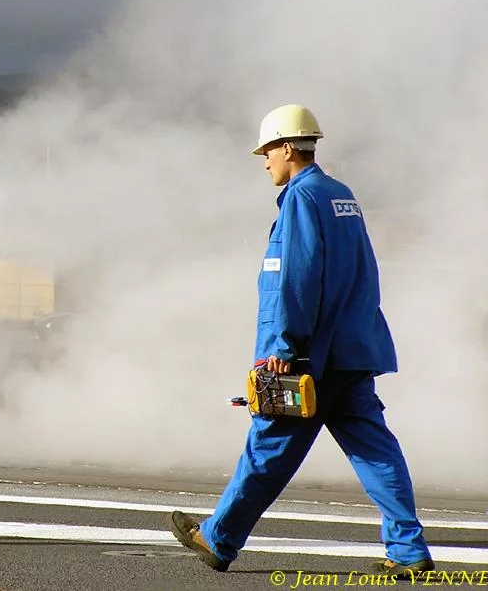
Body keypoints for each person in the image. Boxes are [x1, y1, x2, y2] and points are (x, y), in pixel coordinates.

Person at [169, 104, 433, 579]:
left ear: (289, 146)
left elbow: (296, 279)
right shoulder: (341, 195)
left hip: (311, 356)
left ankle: (218, 538)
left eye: (268, 150)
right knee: (375, 451)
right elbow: (362, 275)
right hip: (352, 351)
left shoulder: (301, 199)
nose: (265, 160)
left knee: (266, 451)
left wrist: (285, 351)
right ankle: (409, 548)